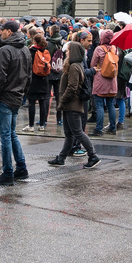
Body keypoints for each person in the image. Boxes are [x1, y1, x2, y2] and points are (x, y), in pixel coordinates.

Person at [0, 20, 31, 185]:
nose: (1, 33)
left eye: (3, 30)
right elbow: (29, 76)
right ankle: (21, 167)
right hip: (16, 96)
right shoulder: (25, 49)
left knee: (6, 135)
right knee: (11, 134)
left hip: (5, 97)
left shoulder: (5, 50)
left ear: (9, 32)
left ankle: (7, 173)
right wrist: (22, 94)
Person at [47, 41, 101, 169]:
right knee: (69, 133)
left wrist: (63, 100)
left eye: (69, 50)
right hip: (69, 105)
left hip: (72, 105)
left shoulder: (74, 67)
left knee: (77, 132)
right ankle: (61, 158)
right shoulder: (73, 65)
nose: (66, 52)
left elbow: (72, 87)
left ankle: (93, 156)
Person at [90, 29, 120, 135]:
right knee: (110, 104)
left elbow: (93, 64)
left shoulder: (99, 49)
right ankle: (113, 127)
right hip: (112, 80)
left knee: (99, 105)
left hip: (100, 79)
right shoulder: (114, 48)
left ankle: (99, 129)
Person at [24, 32, 51, 133]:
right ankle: (42, 125)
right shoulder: (46, 51)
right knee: (42, 102)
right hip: (44, 79)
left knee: (31, 103)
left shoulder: (31, 51)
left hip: (33, 79)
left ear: (34, 41)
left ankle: (31, 125)